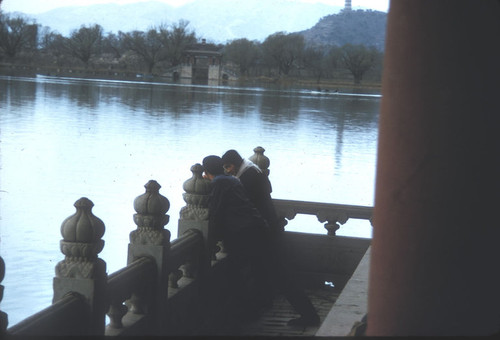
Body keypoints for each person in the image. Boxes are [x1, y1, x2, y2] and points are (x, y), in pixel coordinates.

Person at [218, 151, 320, 327]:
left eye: (228, 167)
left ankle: (309, 315)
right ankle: (264, 304)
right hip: (268, 229)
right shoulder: (253, 169)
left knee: (282, 276)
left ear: (234, 164)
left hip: (264, 234)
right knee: (264, 272)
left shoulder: (247, 177)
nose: (227, 171)